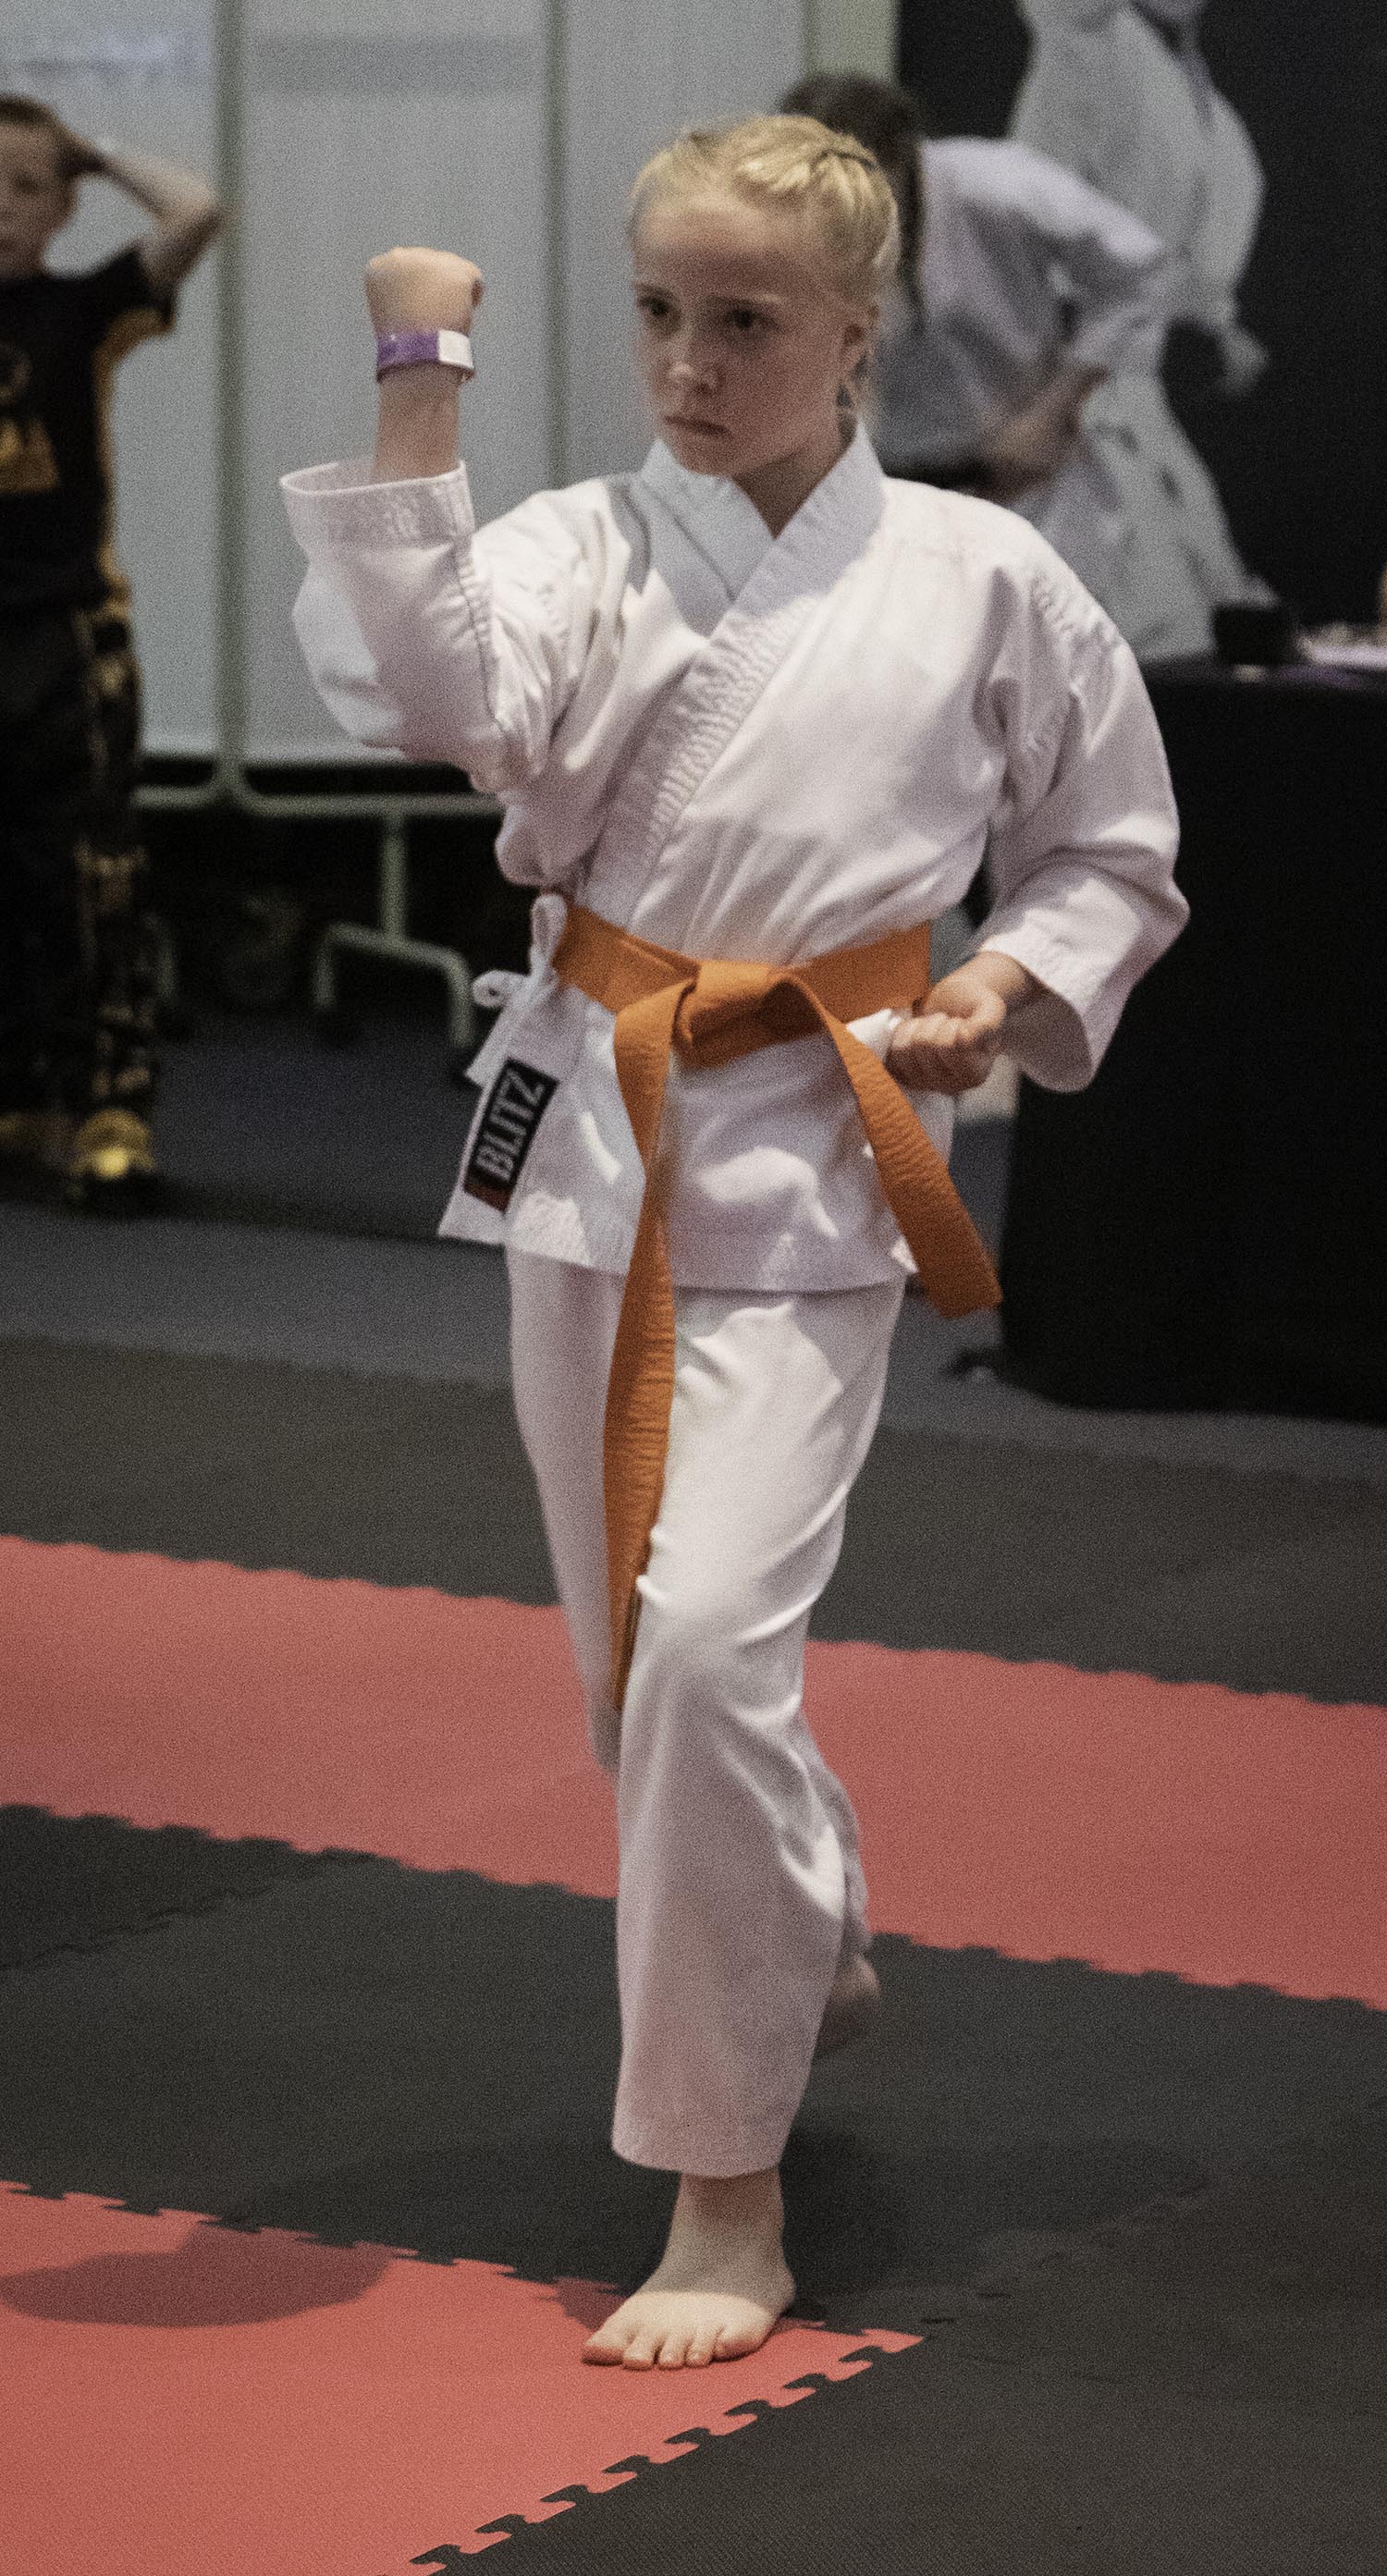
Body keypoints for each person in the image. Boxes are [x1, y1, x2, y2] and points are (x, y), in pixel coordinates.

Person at [282, 113, 1184, 2371]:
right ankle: (810, 1920)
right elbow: (423, 700)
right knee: (638, 1680)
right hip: (592, 1133)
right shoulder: (581, 543)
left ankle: (723, 2186)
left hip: (816, 1147)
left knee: (698, 1655)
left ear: (859, 335)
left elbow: (1113, 847)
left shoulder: (983, 575)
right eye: (662, 314)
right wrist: (419, 377)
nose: (690, 362)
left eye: (747, 321)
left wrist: (1005, 984)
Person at [0, 96, 221, 1204]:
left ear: (64, 208)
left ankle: (109, 1105)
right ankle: (22, 1094)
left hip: (65, 639)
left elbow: (197, 212)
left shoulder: (82, 311)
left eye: (26, 187)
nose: (1, 206)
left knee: (87, 877)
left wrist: (98, 152)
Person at [782, 72, 1179, 645]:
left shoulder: (995, 185)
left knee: (1041, 667)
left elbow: (1141, 271)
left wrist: (1054, 410)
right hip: (894, 499)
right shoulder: (789, 221)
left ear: (902, 155)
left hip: (1029, 487)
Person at [1011, 0, 1272, 657]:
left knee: (1200, 613)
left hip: (1140, 396)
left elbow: (1183, 264)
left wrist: (1216, 322)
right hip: (1067, 385)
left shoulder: (1214, 113)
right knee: (1116, 626)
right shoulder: (1089, 44)